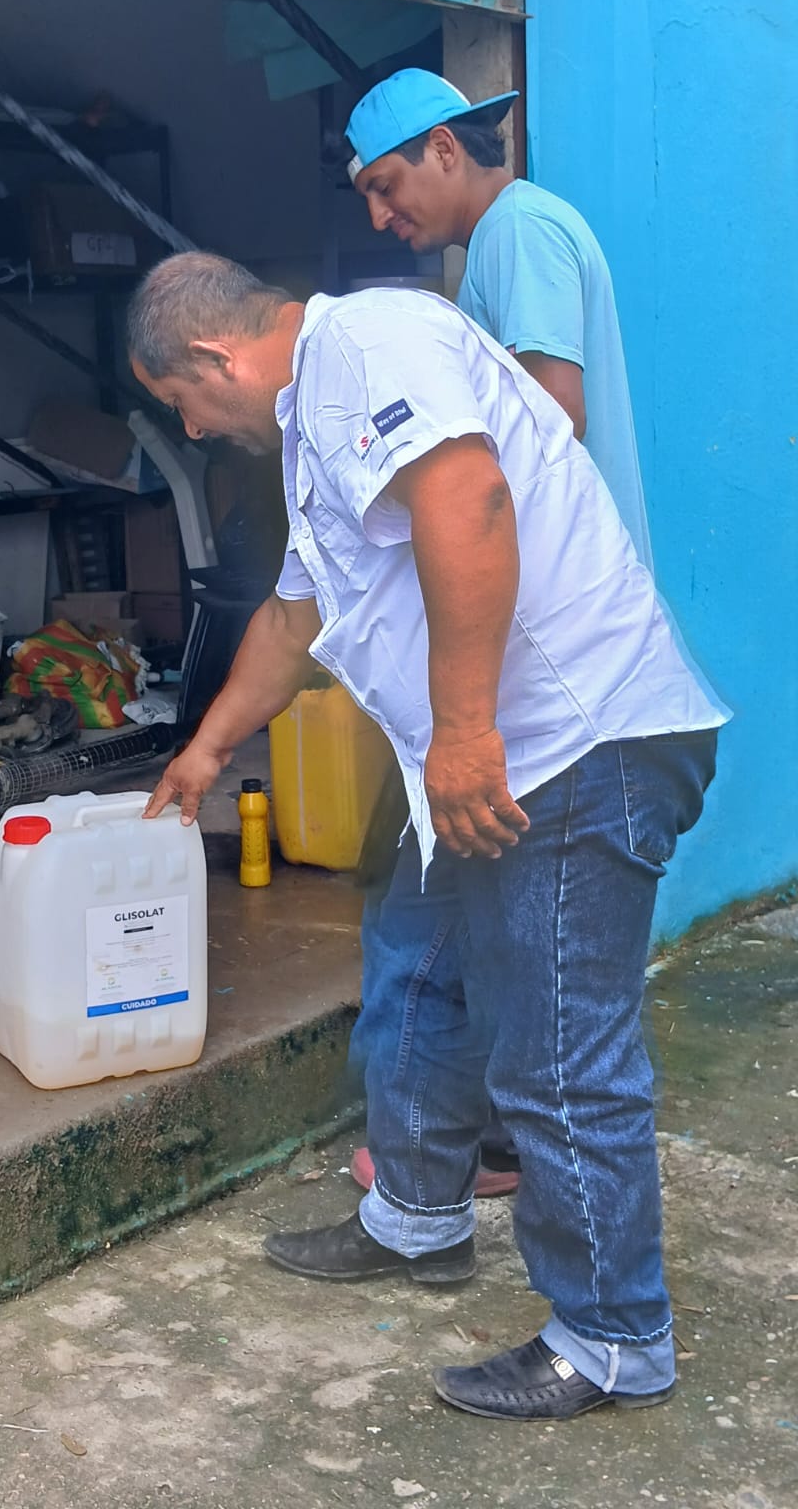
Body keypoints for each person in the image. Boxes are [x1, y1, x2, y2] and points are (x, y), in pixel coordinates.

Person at [128, 251, 726, 1420]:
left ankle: (614, 1336)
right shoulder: (317, 436)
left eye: (182, 402)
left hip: (571, 748)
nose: (193, 428)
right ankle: (415, 1213)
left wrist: (461, 733)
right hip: (489, 764)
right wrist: (204, 749)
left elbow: (469, 498)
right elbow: (296, 617)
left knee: (558, 1053)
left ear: (212, 355)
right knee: (417, 966)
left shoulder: (370, 341)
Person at [342, 66, 656, 1207]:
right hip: (558, 637)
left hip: (550, 641)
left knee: (467, 915)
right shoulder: (518, 238)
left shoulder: (517, 230)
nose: (383, 218)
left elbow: (544, 420)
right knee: (493, 917)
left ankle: (480, 1148)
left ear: (444, 147)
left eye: (388, 186)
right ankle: (485, 1142)